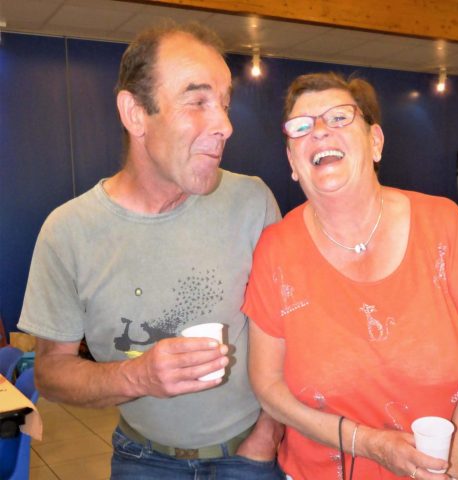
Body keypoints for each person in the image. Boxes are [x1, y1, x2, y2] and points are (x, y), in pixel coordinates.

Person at [17, 23, 284, 479]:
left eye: (224, 104)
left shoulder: (253, 202)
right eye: (197, 101)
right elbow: (52, 373)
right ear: (135, 113)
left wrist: (267, 437)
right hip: (143, 459)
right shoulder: (68, 233)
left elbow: (289, 333)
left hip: (249, 454)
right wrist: (138, 377)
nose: (225, 126)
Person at [243, 72, 458, 480]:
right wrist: (367, 443)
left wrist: (449, 473)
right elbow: (268, 388)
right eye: (301, 127)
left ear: (376, 142)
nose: (319, 131)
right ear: (293, 163)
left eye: (339, 118)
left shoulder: (443, 224)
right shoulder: (276, 250)